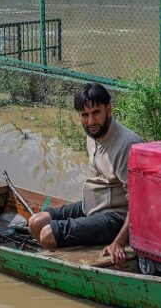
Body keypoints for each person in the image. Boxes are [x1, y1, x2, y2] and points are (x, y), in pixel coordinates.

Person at [28, 83, 143, 266]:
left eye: (96, 113)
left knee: (48, 234)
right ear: (79, 116)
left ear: (108, 110)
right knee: (36, 222)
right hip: (93, 205)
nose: (91, 121)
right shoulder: (93, 134)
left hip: (116, 217)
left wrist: (118, 242)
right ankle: (57, 263)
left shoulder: (126, 146)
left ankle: (63, 267)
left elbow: (138, 203)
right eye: (85, 115)